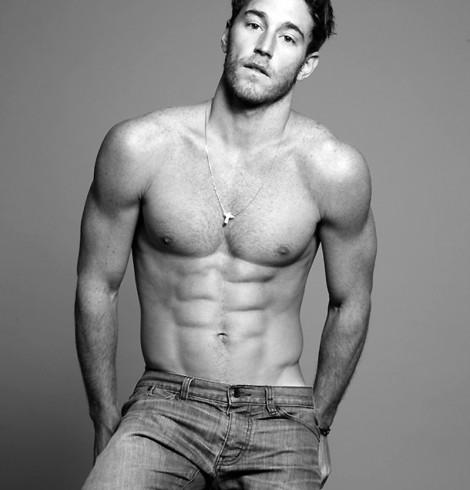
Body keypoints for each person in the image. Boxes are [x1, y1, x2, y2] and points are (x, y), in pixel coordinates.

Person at [75, 0, 377, 488]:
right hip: (165, 406)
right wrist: (103, 414)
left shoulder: (332, 169)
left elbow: (351, 302)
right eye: (253, 23)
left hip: (281, 416)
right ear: (227, 33)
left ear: (307, 64)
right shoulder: (141, 147)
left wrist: (318, 423)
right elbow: (97, 284)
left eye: (288, 37)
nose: (264, 46)